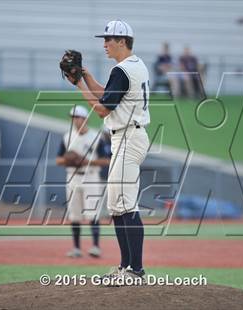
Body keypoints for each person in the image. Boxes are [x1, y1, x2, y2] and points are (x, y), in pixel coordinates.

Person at [64, 20, 150, 283]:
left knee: (125, 206)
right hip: (125, 137)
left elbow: (102, 109)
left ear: (122, 42)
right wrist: (87, 76)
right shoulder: (132, 66)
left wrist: (79, 85)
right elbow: (108, 95)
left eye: (108, 40)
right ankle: (126, 267)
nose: (104, 44)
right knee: (116, 207)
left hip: (128, 136)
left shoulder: (123, 70)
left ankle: (135, 269)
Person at [56, 105, 110, 258]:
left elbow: (106, 160)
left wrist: (86, 161)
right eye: (73, 117)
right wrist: (71, 160)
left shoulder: (96, 136)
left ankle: (95, 246)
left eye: (78, 117)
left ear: (85, 118)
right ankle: (76, 248)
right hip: (72, 176)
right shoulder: (67, 136)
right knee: (74, 214)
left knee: (93, 212)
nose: (75, 120)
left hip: (91, 176)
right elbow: (58, 159)